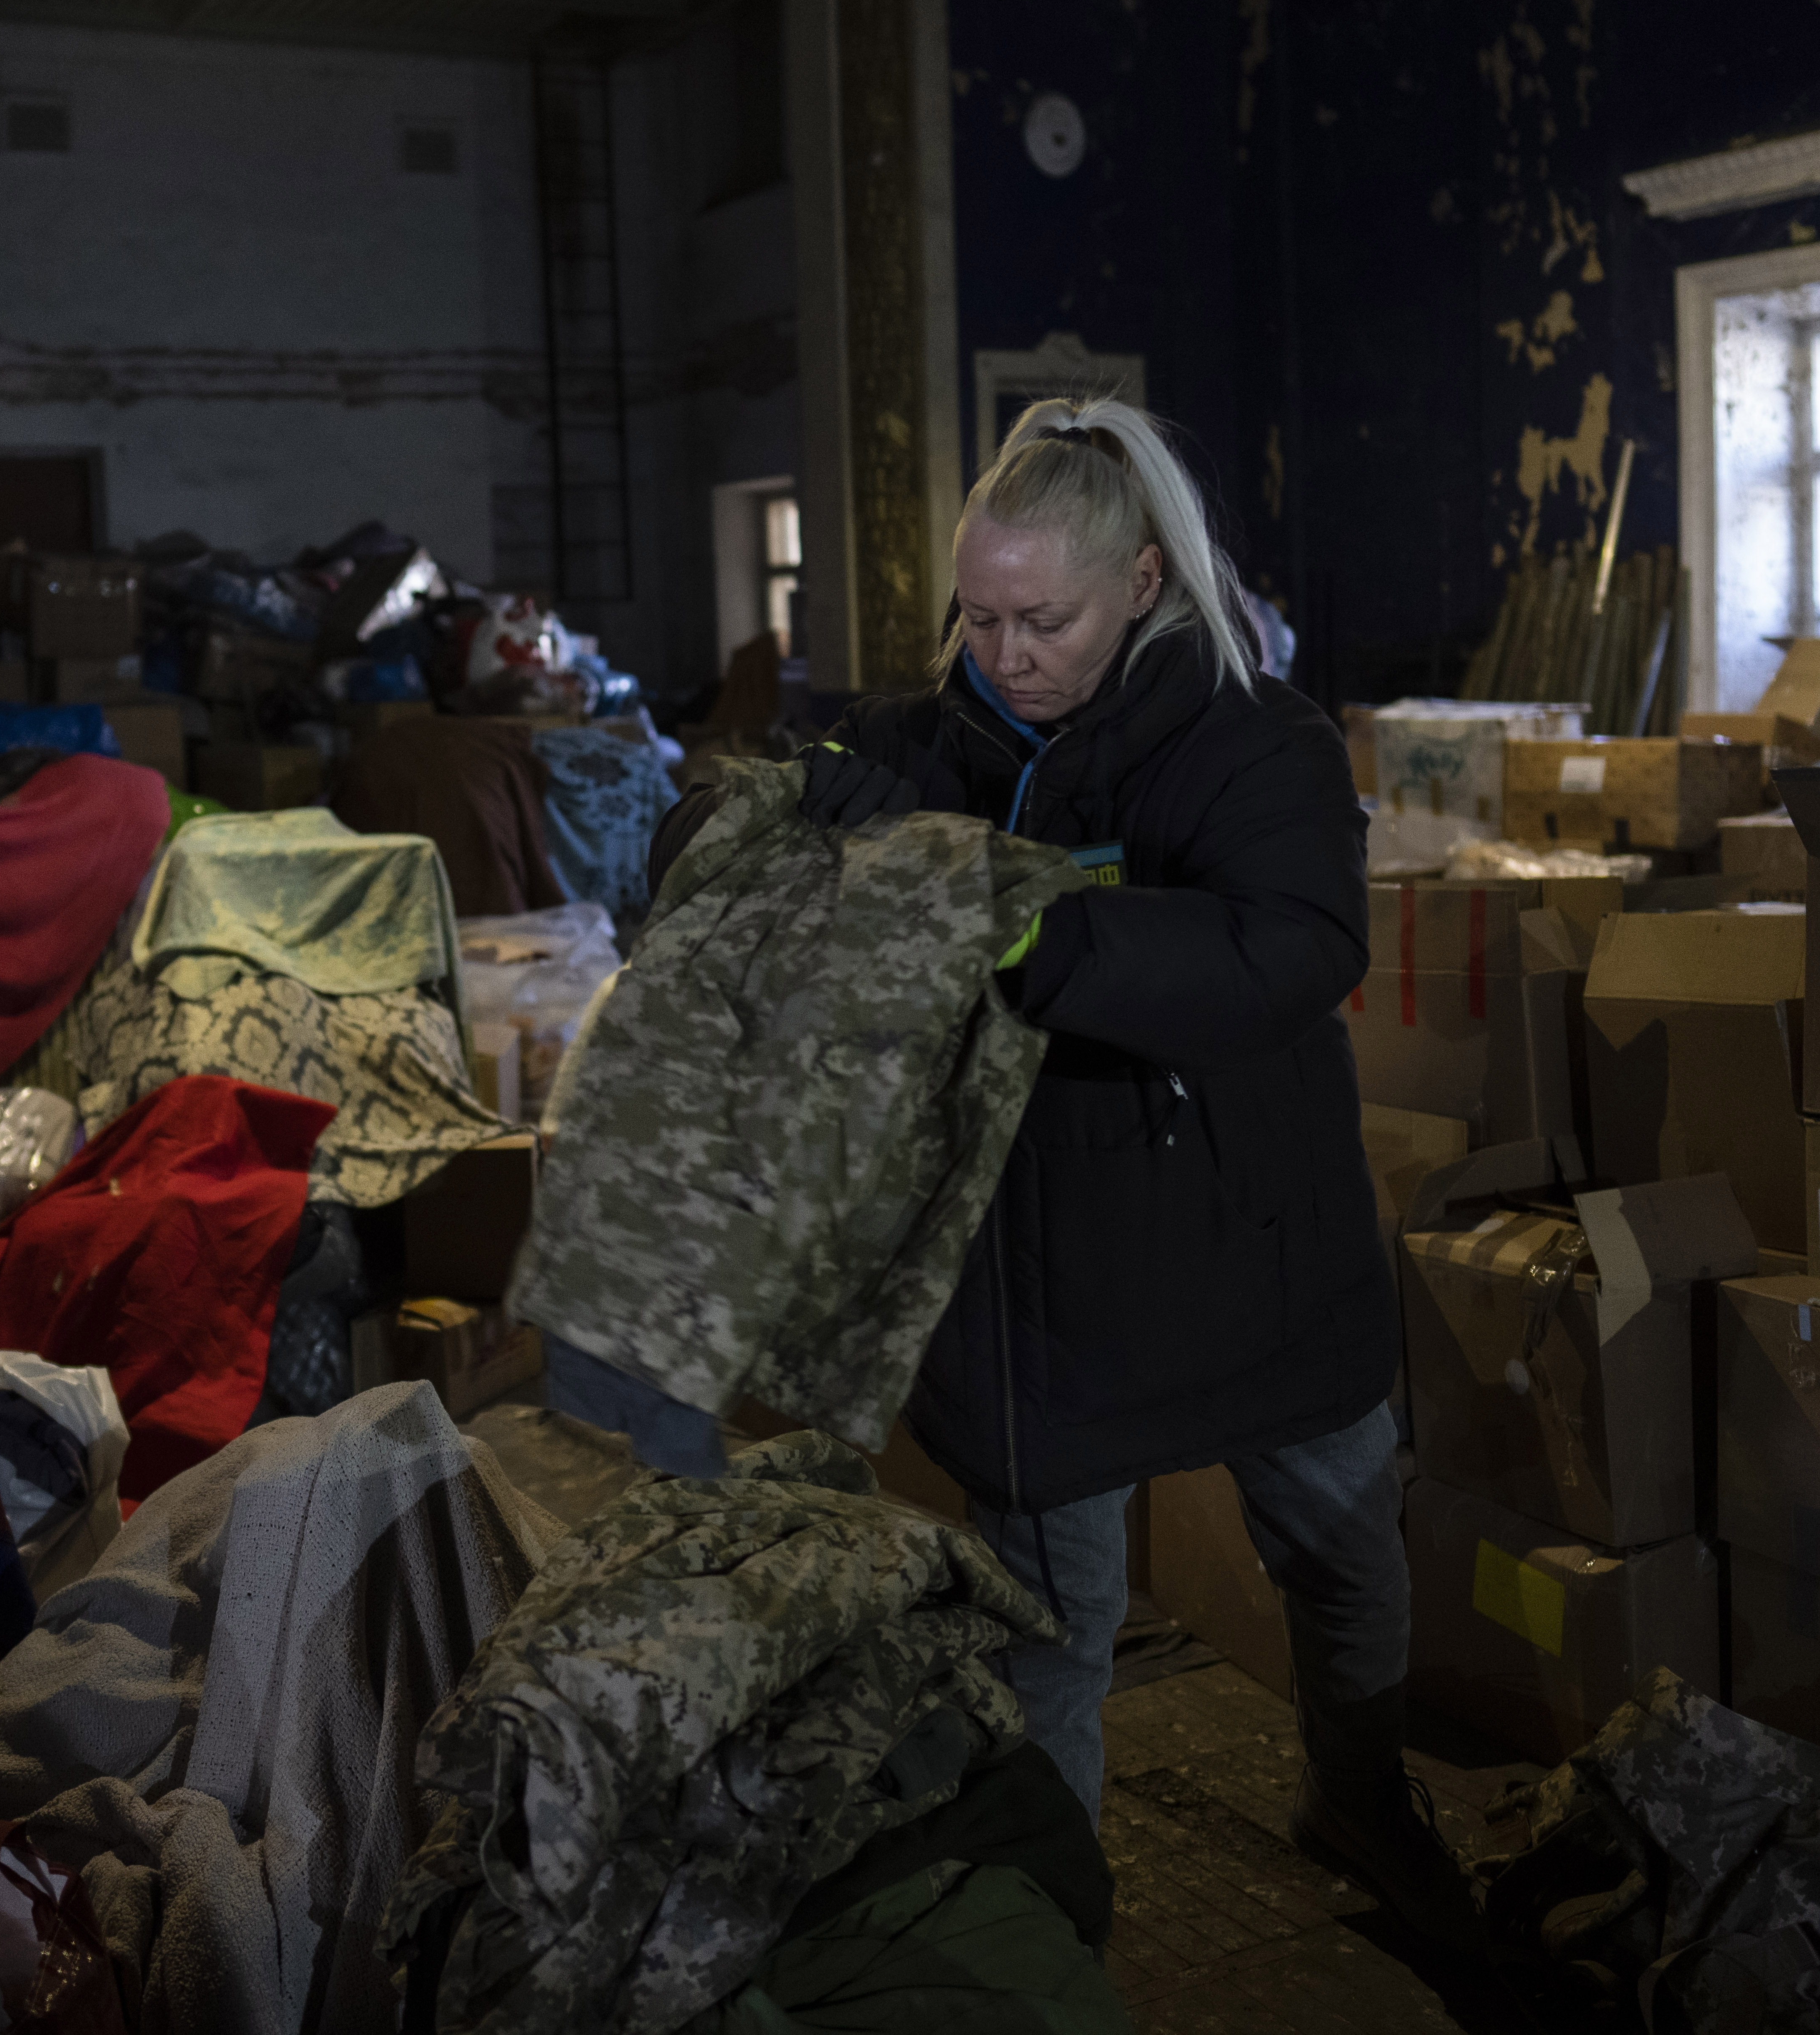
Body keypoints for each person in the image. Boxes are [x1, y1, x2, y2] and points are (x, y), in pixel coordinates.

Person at [564, 398, 1465, 1948]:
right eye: (978, 616)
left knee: (1341, 1546)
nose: (1005, 652)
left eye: (1041, 618)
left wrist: (1029, 921)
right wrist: (751, 816)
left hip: (1251, 1229)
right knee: (1051, 1627)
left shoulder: (1257, 736)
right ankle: (1057, 1916)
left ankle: (1361, 1790)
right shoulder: (930, 737)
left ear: (1142, 589)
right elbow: (712, 845)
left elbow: (1296, 945)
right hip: (1036, 1271)